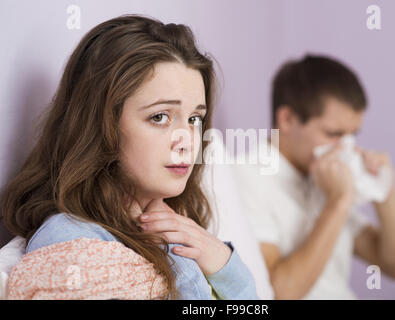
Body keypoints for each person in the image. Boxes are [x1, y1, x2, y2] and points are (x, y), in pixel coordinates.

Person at [1, 14, 257, 300]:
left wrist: (222, 261)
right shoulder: (71, 242)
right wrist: (181, 262)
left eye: (195, 119)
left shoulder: (178, 223)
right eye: (160, 117)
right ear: (101, 125)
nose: (187, 141)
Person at [233, 54, 395, 299]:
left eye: (353, 135)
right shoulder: (247, 177)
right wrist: (338, 201)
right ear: (287, 119)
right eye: (334, 134)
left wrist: (384, 190)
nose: (345, 148)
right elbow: (278, 294)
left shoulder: (322, 176)